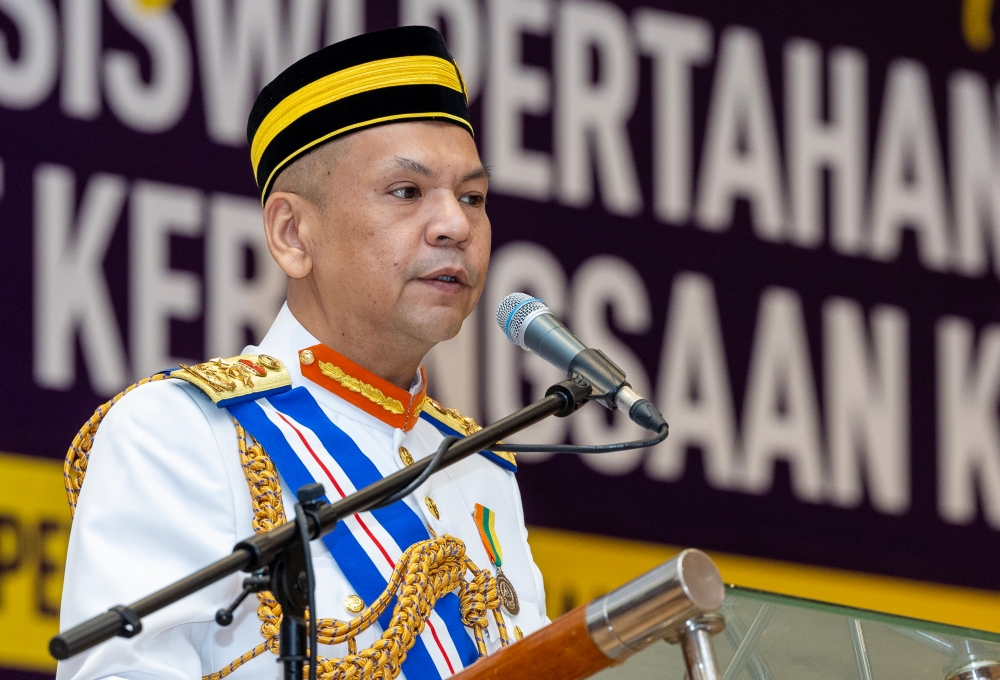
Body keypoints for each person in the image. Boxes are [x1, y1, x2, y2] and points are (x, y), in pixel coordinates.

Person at [58, 26, 547, 680]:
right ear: (292, 233)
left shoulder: (479, 468)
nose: (456, 225)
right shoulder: (182, 432)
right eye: (407, 192)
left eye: (472, 197)